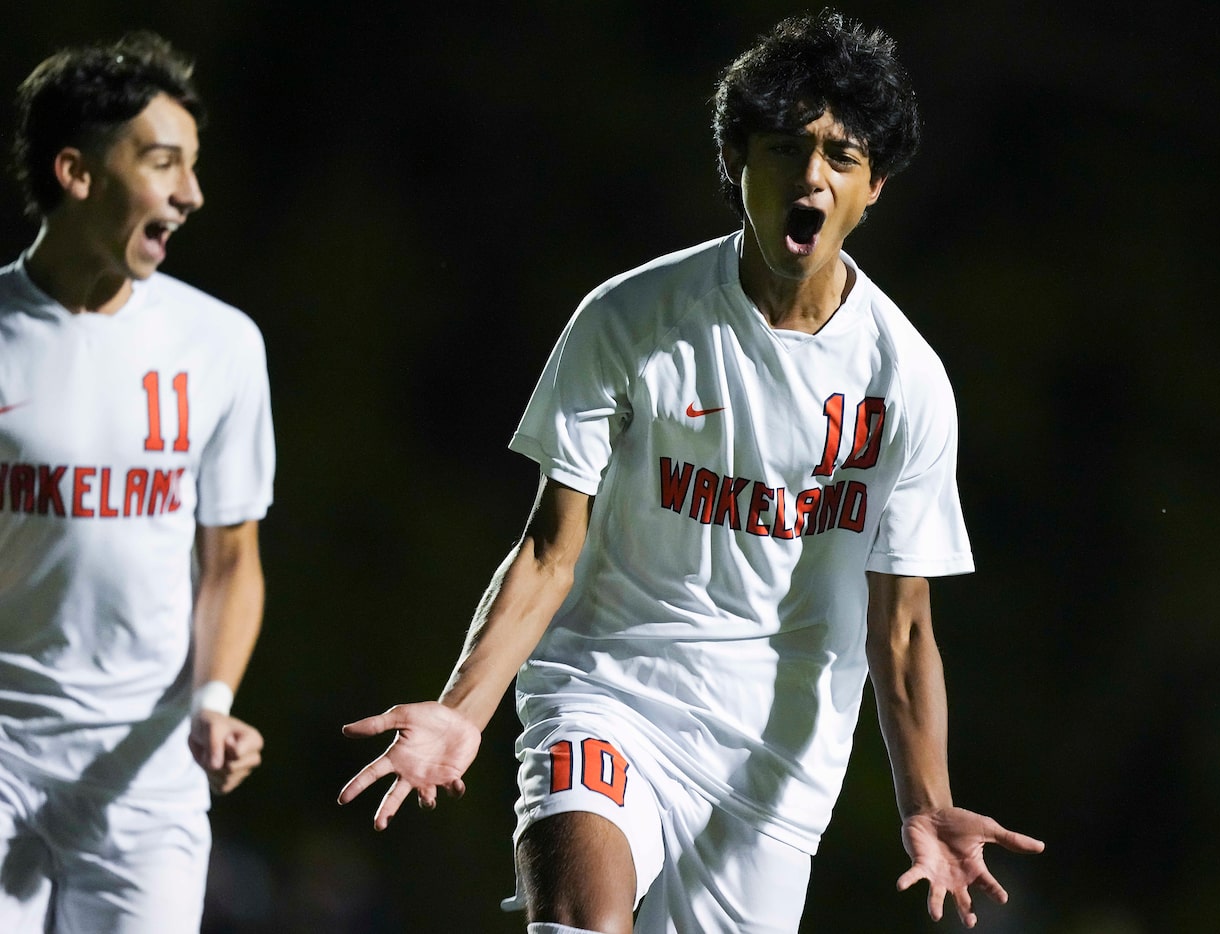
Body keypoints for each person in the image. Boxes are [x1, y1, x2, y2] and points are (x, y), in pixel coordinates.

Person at [340, 10, 1041, 932]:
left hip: (774, 757)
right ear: (738, 166)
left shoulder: (903, 380)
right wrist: (464, 711)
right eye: (786, 147)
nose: (812, 175)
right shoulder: (629, 320)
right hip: (607, 690)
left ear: (873, 188)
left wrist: (925, 799)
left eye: (841, 155)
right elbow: (550, 551)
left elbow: (902, 627)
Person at [0, 32, 274, 932]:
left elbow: (231, 557)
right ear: (76, 173)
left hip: (145, 771)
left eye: (193, 167)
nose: (190, 196)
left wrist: (214, 701)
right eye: (163, 165)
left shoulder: (221, 343)